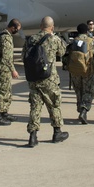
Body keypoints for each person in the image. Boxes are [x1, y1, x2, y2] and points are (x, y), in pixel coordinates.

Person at [22, 16, 69, 147]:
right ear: (52, 27)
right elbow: (63, 52)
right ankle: (57, 132)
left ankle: (32, 136)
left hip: (34, 78)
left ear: (40, 26)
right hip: (49, 78)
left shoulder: (31, 39)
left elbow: (23, 56)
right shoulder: (54, 39)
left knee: (35, 107)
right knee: (54, 104)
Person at [67, 22, 94, 125]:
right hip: (89, 70)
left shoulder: (73, 42)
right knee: (88, 91)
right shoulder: (91, 41)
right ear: (87, 31)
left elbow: (66, 55)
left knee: (79, 91)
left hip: (75, 71)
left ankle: (80, 108)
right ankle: (84, 110)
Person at [0, 19, 21, 126]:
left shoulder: (1, 34)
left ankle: (4, 112)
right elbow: (6, 57)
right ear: (13, 27)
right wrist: (13, 70)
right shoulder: (6, 38)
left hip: (1, 68)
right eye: (17, 29)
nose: (17, 31)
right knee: (2, 92)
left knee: (7, 91)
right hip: (3, 68)